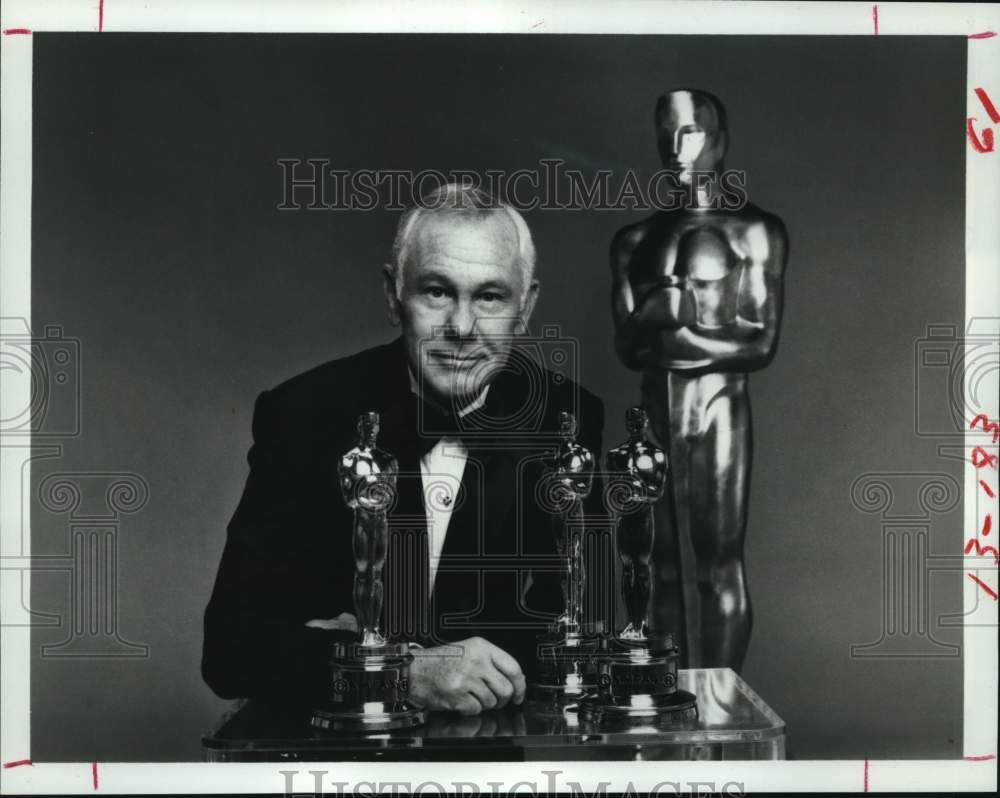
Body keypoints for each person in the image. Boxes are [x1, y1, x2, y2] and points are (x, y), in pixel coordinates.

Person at [203, 184, 604, 716]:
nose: (461, 328)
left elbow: (577, 637)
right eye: (437, 292)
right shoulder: (305, 414)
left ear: (525, 306)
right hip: (329, 753)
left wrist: (335, 644)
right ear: (394, 295)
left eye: (490, 297)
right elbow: (231, 651)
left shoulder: (565, 419)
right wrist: (402, 671)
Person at [610, 89, 788, 670]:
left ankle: (721, 697)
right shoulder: (635, 241)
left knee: (718, 562)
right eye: (665, 136)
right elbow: (627, 347)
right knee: (655, 563)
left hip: (718, 406)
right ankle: (668, 696)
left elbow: (759, 342)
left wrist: (672, 328)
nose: (674, 150)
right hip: (655, 411)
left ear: (720, 140)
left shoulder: (753, 231)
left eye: (689, 133)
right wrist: (656, 322)